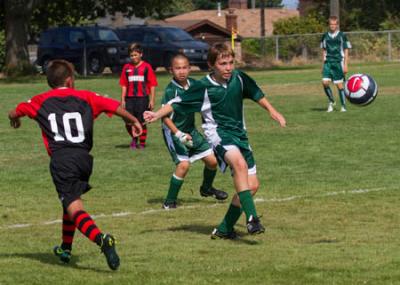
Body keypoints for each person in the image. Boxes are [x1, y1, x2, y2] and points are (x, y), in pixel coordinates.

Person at [8, 60, 142, 270]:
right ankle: (65, 249)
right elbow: (114, 106)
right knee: (70, 201)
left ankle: (102, 239)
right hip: (84, 159)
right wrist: (133, 121)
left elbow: (14, 111)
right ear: (70, 80)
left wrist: (15, 119)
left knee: (74, 206)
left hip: (62, 160)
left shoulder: (40, 100)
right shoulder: (86, 96)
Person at [144, 43, 286, 239]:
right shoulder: (203, 87)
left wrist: (273, 111)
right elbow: (174, 105)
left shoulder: (239, 78)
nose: (228, 67)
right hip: (219, 135)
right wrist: (155, 114)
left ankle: (225, 229)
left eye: (230, 62)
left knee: (252, 186)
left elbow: (256, 94)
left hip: (240, 135)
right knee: (239, 165)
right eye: (222, 64)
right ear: (211, 65)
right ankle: (252, 218)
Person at [161, 53, 228, 209]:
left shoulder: (195, 85)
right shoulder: (171, 91)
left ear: (190, 69)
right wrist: (179, 134)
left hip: (191, 130)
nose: (182, 71)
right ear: (171, 70)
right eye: (177, 68)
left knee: (212, 161)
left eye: (185, 67)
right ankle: (169, 201)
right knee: (183, 165)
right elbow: (164, 116)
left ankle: (206, 188)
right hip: (173, 132)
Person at [120, 43, 158, 149]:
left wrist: (152, 100)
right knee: (129, 121)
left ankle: (141, 143)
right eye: (131, 55)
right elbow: (123, 85)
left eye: (135, 55)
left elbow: (152, 85)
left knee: (141, 121)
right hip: (129, 99)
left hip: (142, 98)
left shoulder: (147, 67)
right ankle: (133, 139)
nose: (133, 57)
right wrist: (123, 99)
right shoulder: (126, 68)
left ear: (141, 54)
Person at [321, 16, 352, 112]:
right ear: (329, 25)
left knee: (339, 85)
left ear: (337, 25)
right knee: (324, 83)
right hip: (328, 63)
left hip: (338, 62)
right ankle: (331, 101)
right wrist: (323, 64)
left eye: (334, 24)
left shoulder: (342, 35)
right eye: (331, 24)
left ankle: (343, 106)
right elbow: (324, 50)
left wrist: (346, 64)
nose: (332, 26)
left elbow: (346, 50)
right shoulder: (325, 36)